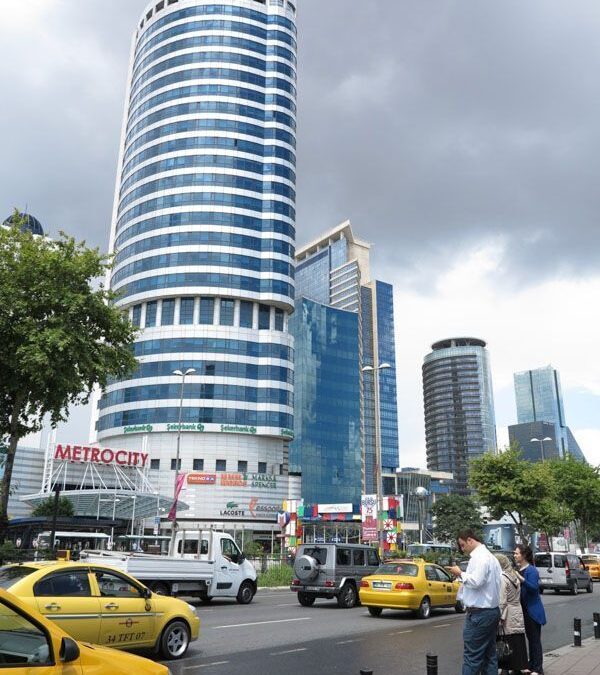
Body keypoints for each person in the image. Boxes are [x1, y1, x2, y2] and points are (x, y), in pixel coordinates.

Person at [448, 529, 502, 675]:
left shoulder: (480, 557)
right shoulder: (491, 558)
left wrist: (460, 573)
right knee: (489, 656)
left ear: (470, 540)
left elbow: (476, 581)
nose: (462, 549)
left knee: (472, 657)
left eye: (463, 545)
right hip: (491, 611)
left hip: (479, 614)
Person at [514, 543, 546, 675]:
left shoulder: (531, 570)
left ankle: (538, 668)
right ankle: (531, 665)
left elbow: (534, 588)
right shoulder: (519, 569)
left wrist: (521, 579)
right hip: (523, 610)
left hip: (532, 611)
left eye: (516, 553)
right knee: (528, 639)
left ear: (524, 555)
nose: (514, 555)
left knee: (534, 640)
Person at [495, 553, 528, 674]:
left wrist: (498, 616)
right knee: (517, 640)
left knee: (507, 640)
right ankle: (517, 667)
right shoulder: (513, 575)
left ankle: (506, 668)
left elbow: (502, 601)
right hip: (517, 610)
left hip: (508, 613)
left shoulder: (503, 578)